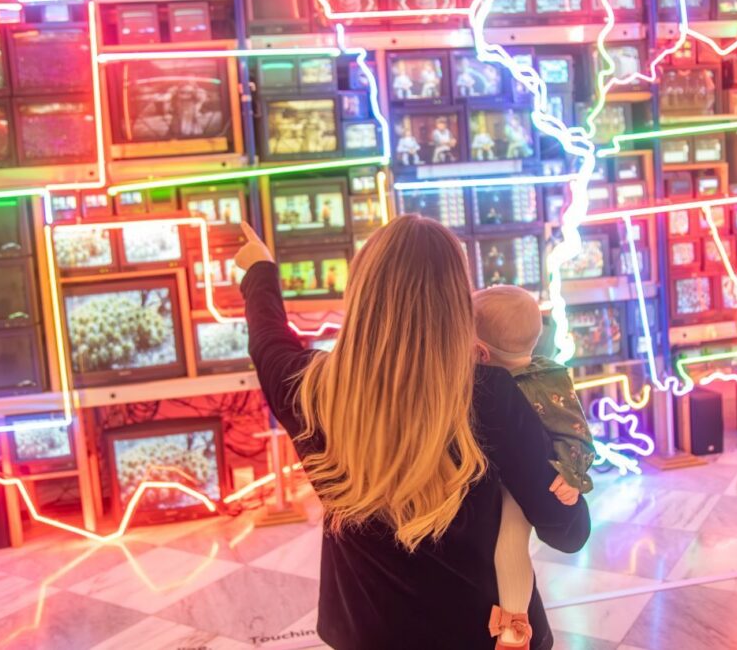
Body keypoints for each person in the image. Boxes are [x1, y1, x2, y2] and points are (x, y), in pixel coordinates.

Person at [235, 215, 590, 649]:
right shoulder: (490, 394)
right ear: (456, 303)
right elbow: (568, 533)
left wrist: (260, 271)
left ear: (361, 293)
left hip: (367, 635)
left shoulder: (310, 391)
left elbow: (267, 340)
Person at [473, 285, 595, 649]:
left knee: (510, 540)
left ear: (479, 352)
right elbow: (581, 433)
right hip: (519, 477)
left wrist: (571, 478)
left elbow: (576, 437)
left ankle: (513, 629)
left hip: (521, 483)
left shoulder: (509, 386)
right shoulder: (549, 374)